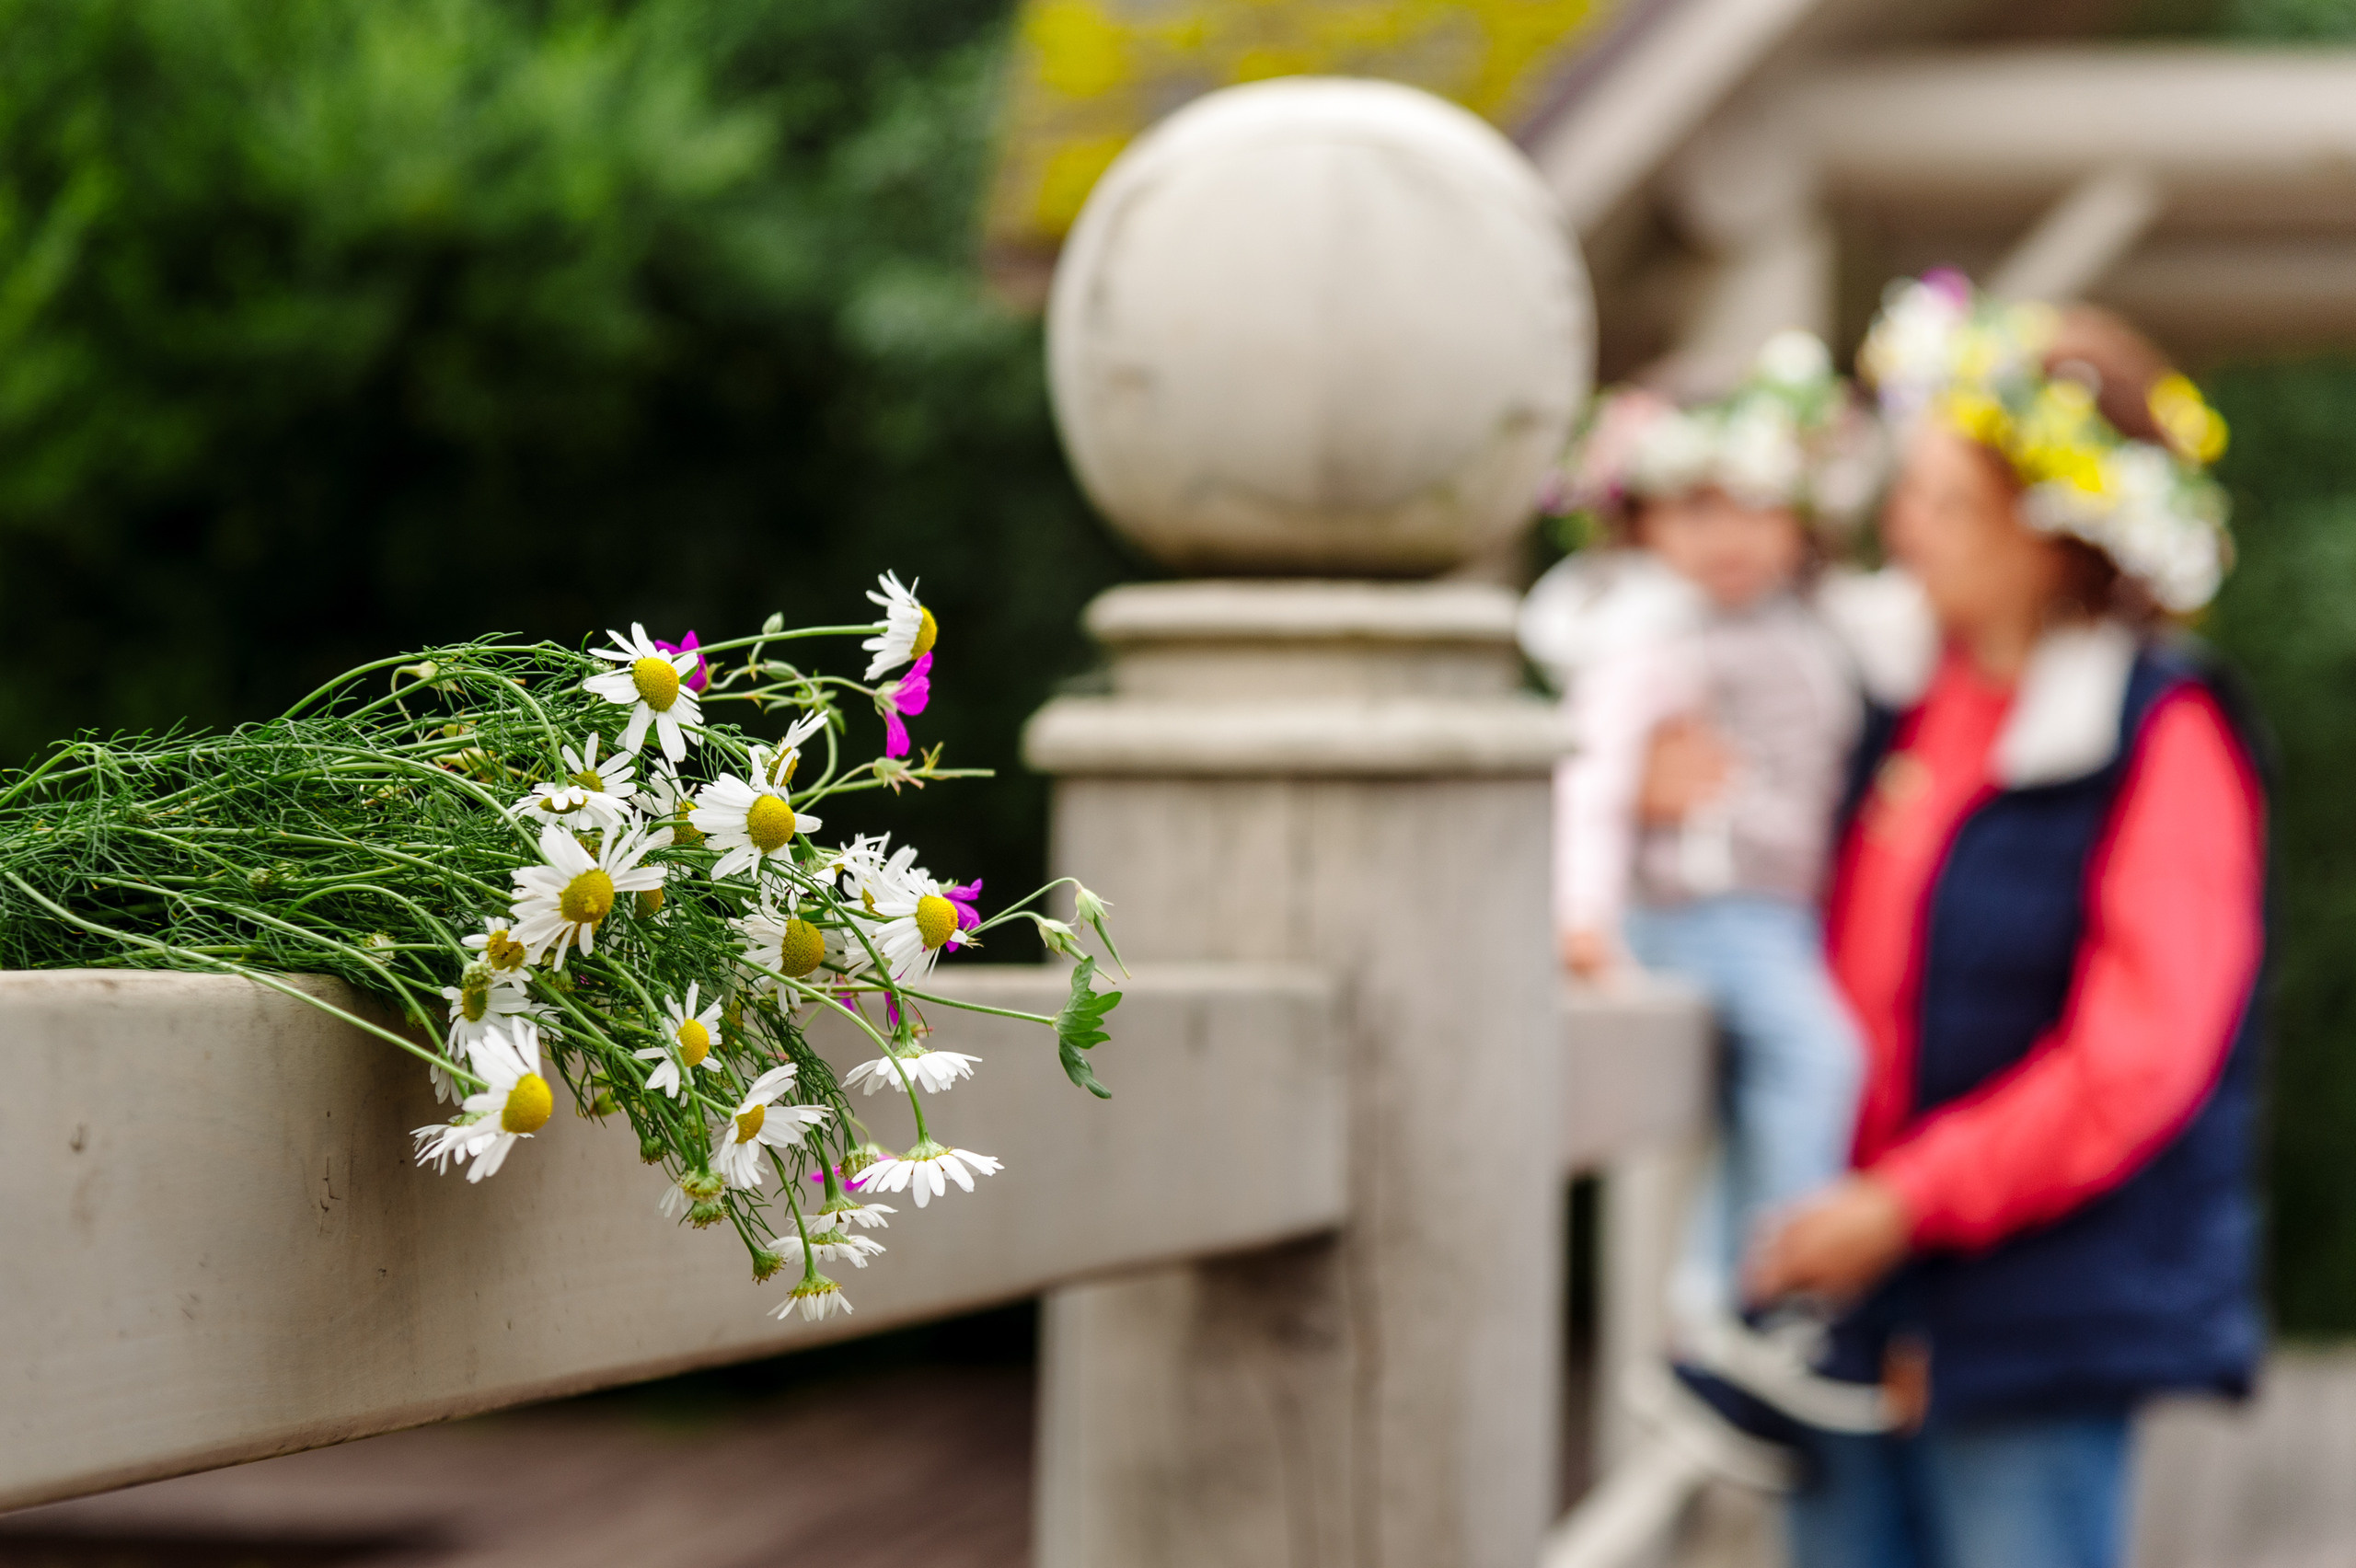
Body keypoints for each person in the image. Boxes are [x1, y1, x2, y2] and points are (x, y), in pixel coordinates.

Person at [1742, 272, 2267, 1568]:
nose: (1903, 530)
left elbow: (2138, 1057)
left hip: (2032, 1311)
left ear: (2048, 531)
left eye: (1944, 503)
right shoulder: (1882, 697)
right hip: (1847, 1293)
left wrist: (1905, 1201)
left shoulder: (2160, 730)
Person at [1521, 332, 1911, 1461]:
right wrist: (1581, 913)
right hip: (1705, 913)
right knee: (1817, 1059)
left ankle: (1713, 1315)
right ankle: (1779, 1298)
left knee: (1757, 1106)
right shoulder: (1653, 638)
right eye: (1695, 508)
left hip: (1776, 917)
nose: (1728, 536)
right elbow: (1594, 778)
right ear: (1643, 521)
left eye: (1756, 504)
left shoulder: (1810, 625)